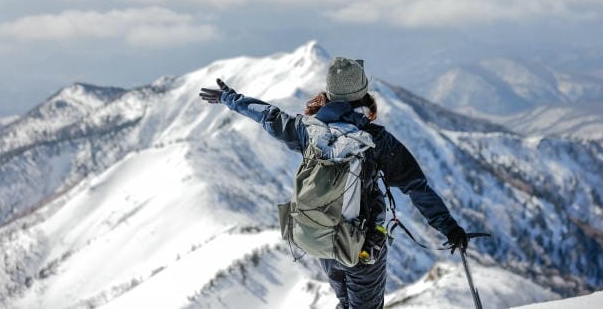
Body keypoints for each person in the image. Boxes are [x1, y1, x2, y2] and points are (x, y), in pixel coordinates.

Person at [199, 57, 468, 309]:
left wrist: (231, 99)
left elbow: (268, 115)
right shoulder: (376, 140)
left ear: (328, 94)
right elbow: (416, 187)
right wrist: (450, 229)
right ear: (362, 96)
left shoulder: (306, 129)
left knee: (346, 303)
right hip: (363, 247)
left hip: (321, 239)